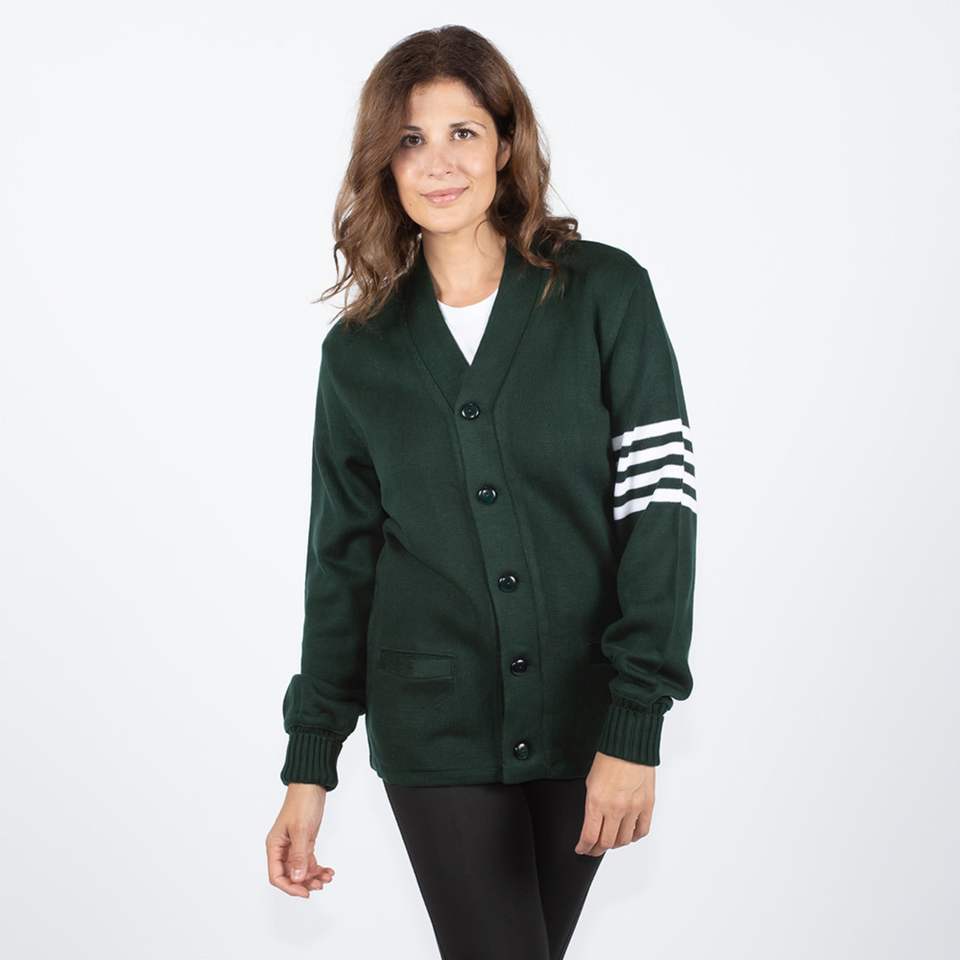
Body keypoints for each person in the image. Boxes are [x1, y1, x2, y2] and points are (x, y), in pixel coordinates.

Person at [265, 25, 698, 960]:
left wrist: (635, 722)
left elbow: (658, 509)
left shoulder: (604, 294)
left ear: (506, 143)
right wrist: (310, 765)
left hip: (584, 715)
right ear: (384, 163)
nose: (439, 163)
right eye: (410, 140)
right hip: (433, 725)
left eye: (463, 132)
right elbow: (340, 563)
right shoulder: (360, 354)